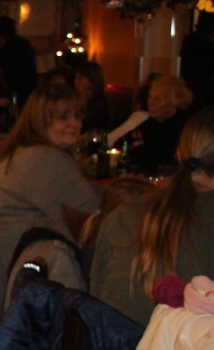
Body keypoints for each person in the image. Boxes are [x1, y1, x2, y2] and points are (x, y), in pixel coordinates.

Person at [0, 83, 100, 312]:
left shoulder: (22, 151)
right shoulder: (44, 159)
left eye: (77, 116)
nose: (74, 123)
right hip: (25, 283)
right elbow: (93, 216)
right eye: (63, 117)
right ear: (39, 121)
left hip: (8, 271)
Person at [90, 107, 214, 326]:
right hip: (176, 347)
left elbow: (96, 301)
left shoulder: (124, 214)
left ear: (180, 152)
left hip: (114, 344)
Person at [124, 75, 193, 175]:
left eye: (158, 98)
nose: (150, 103)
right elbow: (124, 145)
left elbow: (164, 160)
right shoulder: (148, 123)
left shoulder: (183, 128)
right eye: (149, 97)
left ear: (174, 102)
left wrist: (140, 148)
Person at [0, 16, 38, 108]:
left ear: (1, 37)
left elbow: (13, 80)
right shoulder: (22, 50)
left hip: (16, 96)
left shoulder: (10, 55)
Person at [74, 60, 110, 133]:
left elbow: (82, 125)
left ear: (91, 81)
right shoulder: (77, 99)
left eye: (80, 78)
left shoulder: (98, 104)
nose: (75, 81)